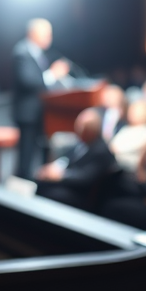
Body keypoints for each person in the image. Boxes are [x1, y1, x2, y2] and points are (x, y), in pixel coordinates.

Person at [11, 17, 69, 178]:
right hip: (28, 113)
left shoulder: (39, 53)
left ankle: (42, 184)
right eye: (46, 34)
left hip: (42, 111)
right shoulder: (21, 51)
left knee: (43, 152)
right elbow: (28, 81)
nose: (49, 38)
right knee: (26, 156)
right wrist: (52, 74)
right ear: (33, 33)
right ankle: (19, 190)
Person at [35, 108, 116, 210]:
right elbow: (68, 158)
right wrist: (54, 167)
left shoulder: (101, 151)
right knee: (42, 180)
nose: (78, 130)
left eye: (82, 127)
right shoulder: (83, 142)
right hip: (70, 182)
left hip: (81, 193)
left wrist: (60, 176)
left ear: (92, 130)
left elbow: (86, 178)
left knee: (46, 189)